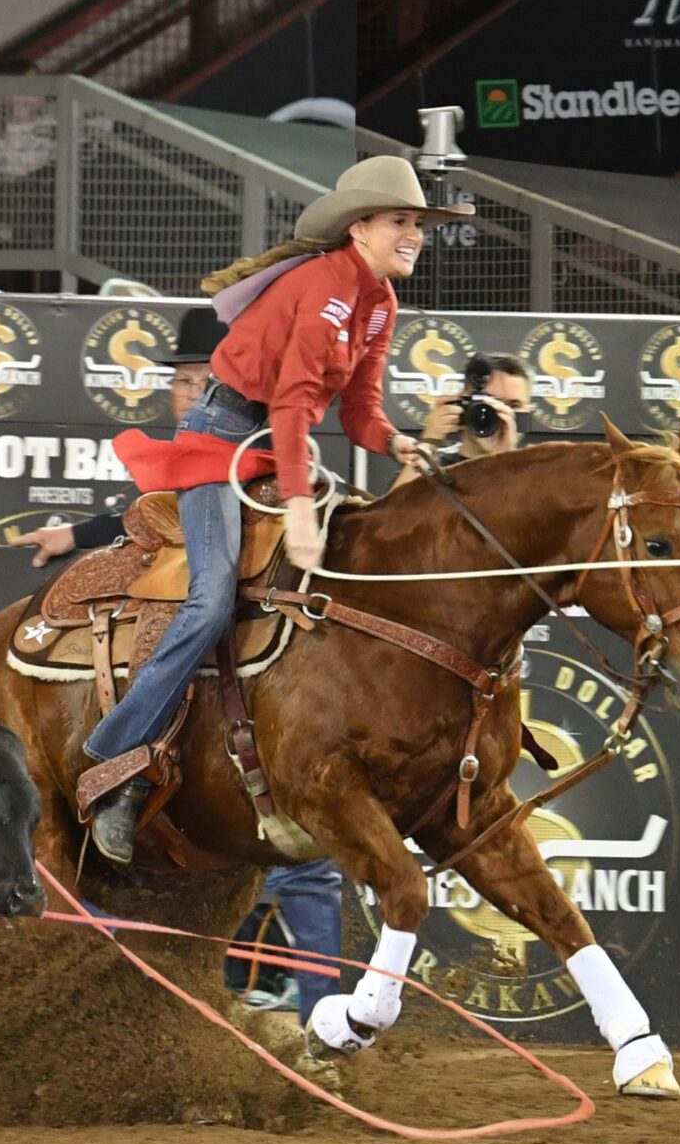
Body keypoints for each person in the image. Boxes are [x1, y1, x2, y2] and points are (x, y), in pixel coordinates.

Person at [79, 156, 455, 861]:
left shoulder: (380, 302)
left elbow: (361, 410)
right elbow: (289, 404)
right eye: (402, 222)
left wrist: (400, 442)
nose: (414, 236)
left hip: (275, 449)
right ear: (361, 226)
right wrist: (303, 511)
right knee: (213, 599)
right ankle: (112, 753)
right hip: (218, 444)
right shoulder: (325, 286)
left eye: (419, 225)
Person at [18, 306, 226, 567]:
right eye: (184, 381)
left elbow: (166, 517)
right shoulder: (176, 455)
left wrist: (76, 534)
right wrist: (75, 534)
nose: (194, 394)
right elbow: (152, 514)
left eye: (207, 384)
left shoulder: (240, 451)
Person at [390, 352, 531, 489]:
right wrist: (430, 441)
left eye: (513, 406)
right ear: (463, 404)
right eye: (489, 403)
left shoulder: (539, 473)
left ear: (528, 413)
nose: (501, 413)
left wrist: (505, 461)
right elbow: (392, 511)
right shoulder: (431, 469)